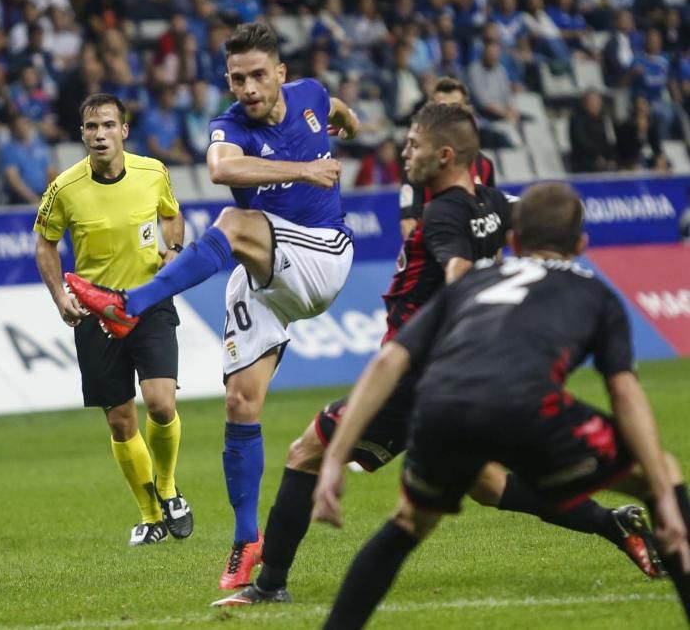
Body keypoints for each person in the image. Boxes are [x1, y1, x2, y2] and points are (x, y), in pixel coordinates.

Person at [212, 103, 660, 608]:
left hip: (419, 380)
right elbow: (533, 223)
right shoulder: (493, 202)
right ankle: (614, 523)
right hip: (465, 381)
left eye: (414, 145)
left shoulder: (444, 213)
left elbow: (459, 280)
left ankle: (270, 585)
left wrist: (461, 328)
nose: (405, 152)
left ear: (445, 155)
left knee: (306, 454)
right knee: (489, 485)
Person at [313, 182, 690, 628]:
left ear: (513, 242)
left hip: (439, 410)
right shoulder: (596, 294)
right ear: (582, 245)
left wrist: (335, 459)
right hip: (528, 409)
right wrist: (664, 498)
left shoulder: (469, 284)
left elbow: (390, 360)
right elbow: (624, 392)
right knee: (660, 473)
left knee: (408, 522)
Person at [65, 22, 360, 588]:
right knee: (241, 405)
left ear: (281, 74)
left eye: (257, 76)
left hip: (324, 254)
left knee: (232, 222)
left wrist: (346, 120)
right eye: (236, 78)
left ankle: (131, 304)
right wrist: (304, 168)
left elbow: (333, 106)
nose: (246, 88)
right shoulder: (228, 126)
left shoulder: (311, 96)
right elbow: (222, 168)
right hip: (264, 270)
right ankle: (247, 543)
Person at [33, 93, 193, 547]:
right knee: (121, 421)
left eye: (107, 125)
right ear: (81, 133)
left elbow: (172, 213)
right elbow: (45, 244)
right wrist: (59, 296)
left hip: (147, 299)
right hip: (95, 311)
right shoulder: (64, 188)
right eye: (90, 127)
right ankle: (150, 517)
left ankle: (166, 488)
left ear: (124, 130)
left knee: (161, 403)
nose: (99, 134)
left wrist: (174, 250)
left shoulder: (153, 172)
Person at [399, 77, 496, 239]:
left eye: (456, 108)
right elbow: (408, 222)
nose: (450, 116)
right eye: (443, 108)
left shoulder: (484, 165)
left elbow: (493, 222)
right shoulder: (418, 164)